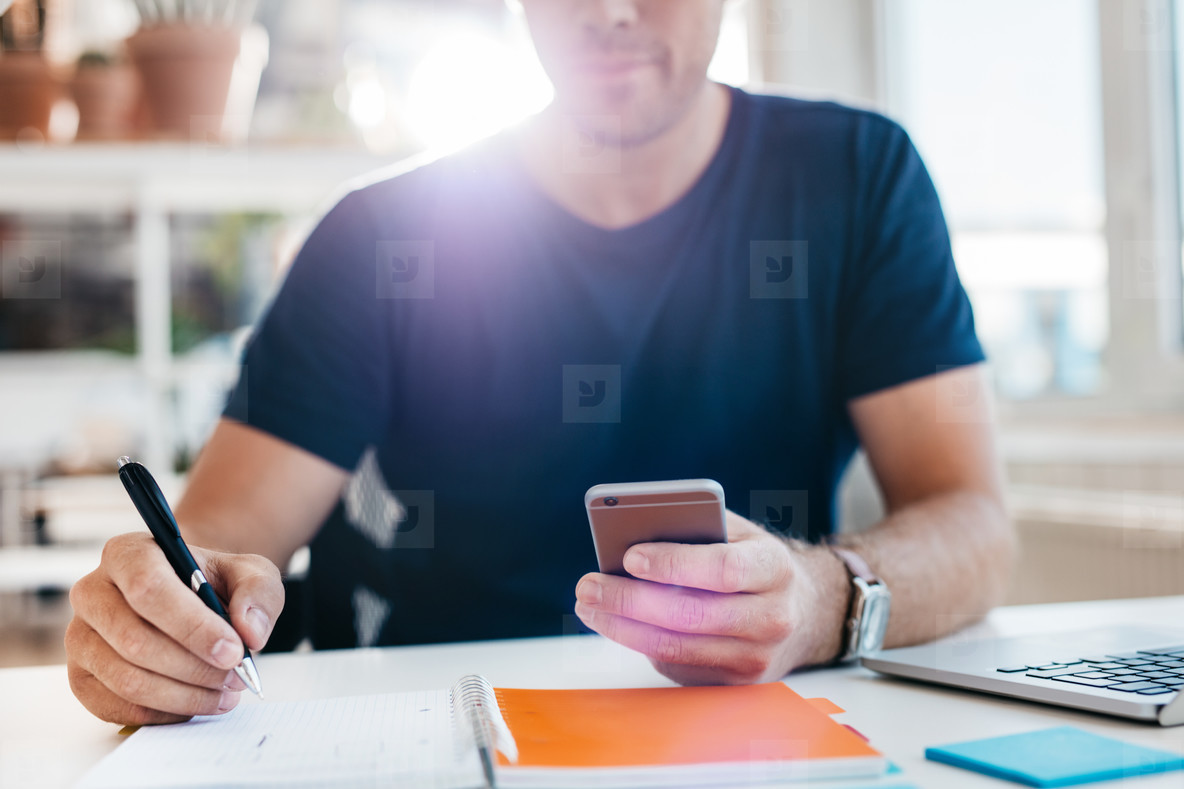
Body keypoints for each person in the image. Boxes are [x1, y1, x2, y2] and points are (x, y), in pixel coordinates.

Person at [66, 0, 1015, 726]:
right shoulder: (380, 237)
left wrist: (823, 599)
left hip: (749, 735)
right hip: (439, 732)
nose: (609, 12)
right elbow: (224, 538)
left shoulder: (857, 178)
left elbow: (973, 521)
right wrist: (155, 620)